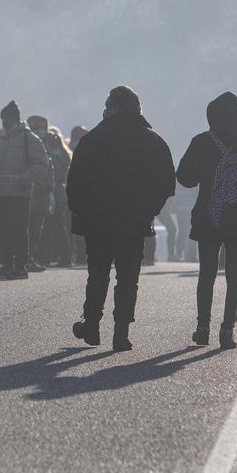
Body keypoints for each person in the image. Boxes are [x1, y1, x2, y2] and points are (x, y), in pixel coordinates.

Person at [69, 86, 175, 351]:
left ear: (115, 107)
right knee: (128, 278)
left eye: (107, 105)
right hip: (134, 221)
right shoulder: (153, 142)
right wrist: (149, 210)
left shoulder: (93, 139)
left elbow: (76, 181)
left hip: (98, 220)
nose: (104, 110)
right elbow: (166, 183)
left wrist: (80, 211)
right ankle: (121, 332)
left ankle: (92, 324)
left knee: (98, 275)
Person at [176, 91, 237, 350]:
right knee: (235, 274)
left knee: (207, 273)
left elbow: (184, 178)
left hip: (209, 217)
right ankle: (227, 329)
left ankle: (203, 327)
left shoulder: (202, 142)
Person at [0, 101, 49, 279]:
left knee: (19, 230)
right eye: (3, 119)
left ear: (16, 119)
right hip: (0, 193)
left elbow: (41, 164)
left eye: (8, 119)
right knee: (3, 230)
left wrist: (24, 178)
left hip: (20, 193)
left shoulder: (29, 139)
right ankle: (6, 264)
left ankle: (20, 266)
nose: (5, 122)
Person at [37, 126, 73, 267]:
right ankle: (64, 255)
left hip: (54, 194)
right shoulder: (63, 154)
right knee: (59, 226)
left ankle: (54, 256)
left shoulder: (55, 156)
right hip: (60, 194)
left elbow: (53, 176)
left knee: (51, 226)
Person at [25, 115, 56, 272]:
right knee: (26, 230)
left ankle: (30, 258)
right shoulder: (25, 146)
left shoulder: (48, 147)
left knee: (36, 230)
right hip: (26, 194)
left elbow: (50, 174)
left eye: (40, 127)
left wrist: (48, 186)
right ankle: (24, 258)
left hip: (41, 197)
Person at [69, 125, 89, 266]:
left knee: (78, 227)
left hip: (79, 192)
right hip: (82, 192)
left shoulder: (68, 148)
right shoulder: (88, 148)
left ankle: (80, 256)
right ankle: (81, 255)